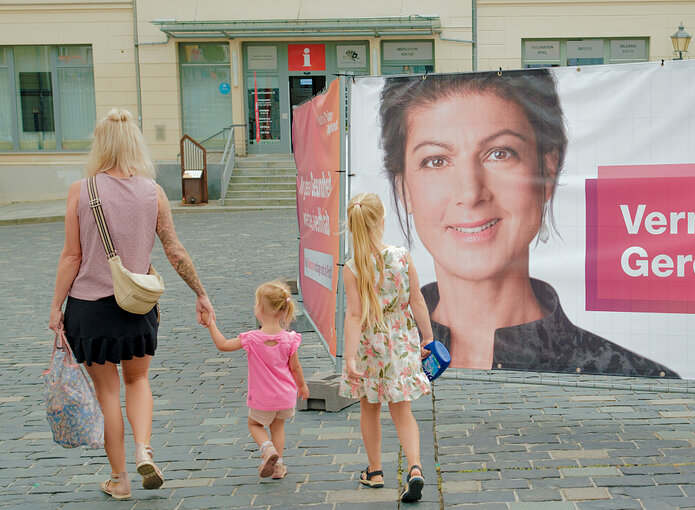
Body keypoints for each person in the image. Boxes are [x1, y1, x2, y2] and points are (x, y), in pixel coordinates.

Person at [378, 69, 677, 378]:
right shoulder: (381, 358)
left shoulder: (634, 376)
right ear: (403, 188)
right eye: (436, 160)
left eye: (499, 153)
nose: (470, 194)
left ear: (547, 172)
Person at [48, 108, 215, 500]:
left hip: (89, 309)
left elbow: (71, 257)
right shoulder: (152, 192)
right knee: (138, 380)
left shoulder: (81, 191)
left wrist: (56, 308)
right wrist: (201, 292)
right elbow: (173, 249)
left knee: (107, 393)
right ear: (134, 144)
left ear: (99, 144)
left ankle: (119, 479)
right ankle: (145, 448)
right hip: (138, 306)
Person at [336, 192, 433, 503]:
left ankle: (375, 471)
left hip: (369, 342)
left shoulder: (352, 267)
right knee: (402, 410)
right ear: (381, 221)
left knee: (370, 406)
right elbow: (416, 299)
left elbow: (353, 314)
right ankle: (415, 467)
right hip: (401, 339)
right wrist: (427, 336)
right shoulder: (401, 256)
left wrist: (350, 357)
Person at [203, 280, 310, 480]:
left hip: (263, 398)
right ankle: (278, 467)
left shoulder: (251, 339)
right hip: (285, 397)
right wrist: (302, 385)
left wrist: (211, 323)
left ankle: (267, 449)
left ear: (260, 310)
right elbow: (295, 367)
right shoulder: (289, 339)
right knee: (278, 427)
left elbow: (223, 345)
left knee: (255, 425)